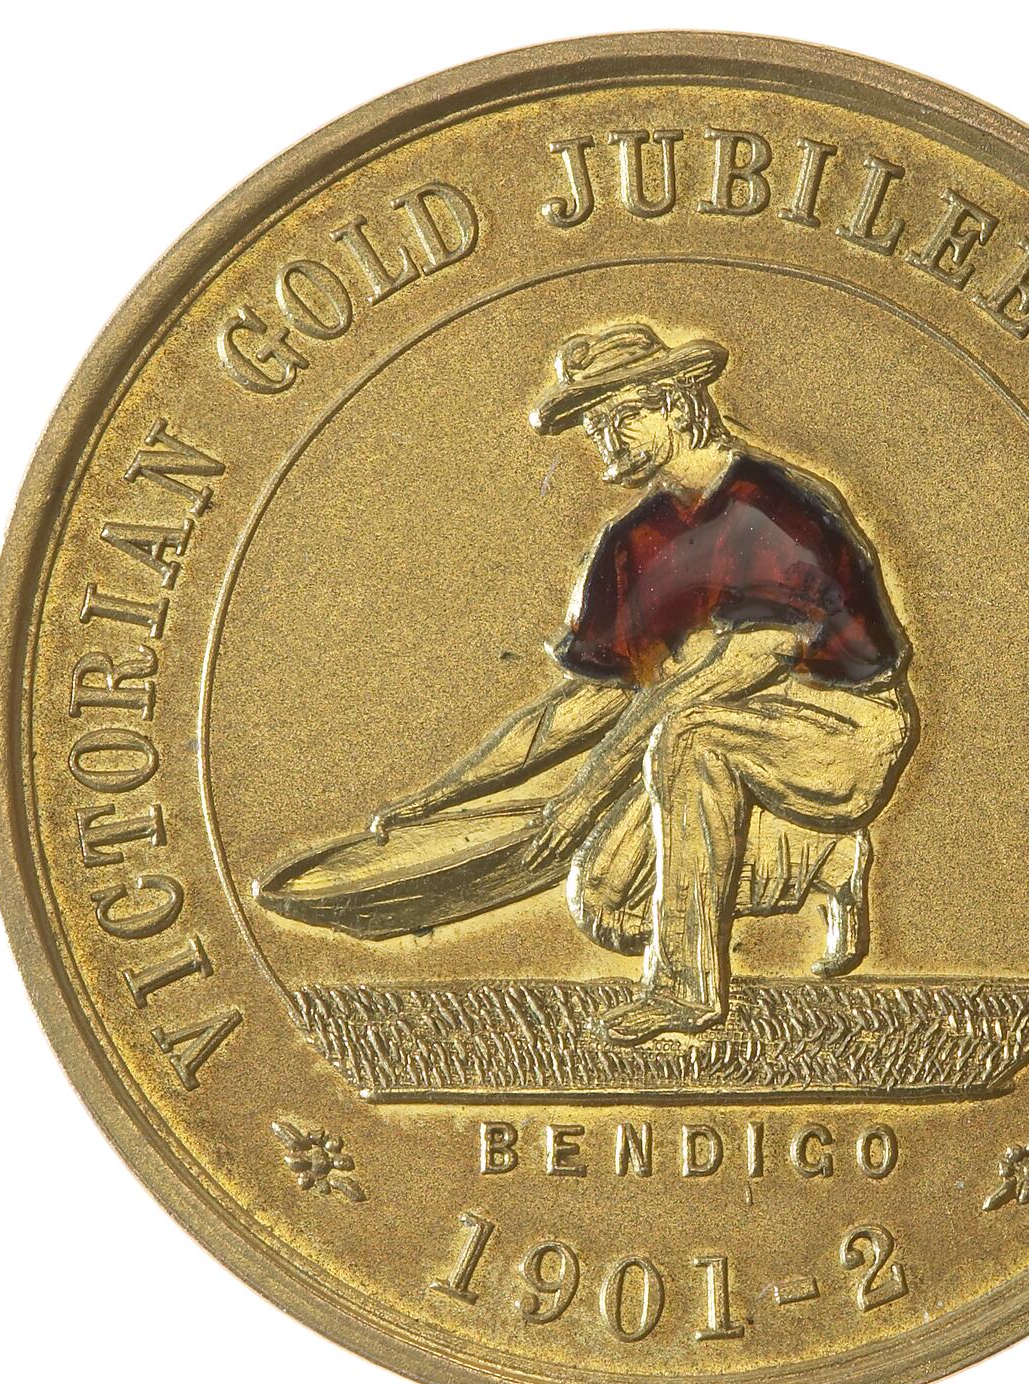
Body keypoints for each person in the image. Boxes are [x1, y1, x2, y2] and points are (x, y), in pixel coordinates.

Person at [374, 323, 914, 1043]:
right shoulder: (632, 541)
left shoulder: (773, 506)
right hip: (706, 727)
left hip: (841, 728)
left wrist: (583, 796)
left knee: (689, 735)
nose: (606, 438)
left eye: (622, 415)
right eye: (595, 424)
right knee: (604, 905)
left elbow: (736, 670)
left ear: (680, 404)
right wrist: (442, 796)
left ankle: (686, 993)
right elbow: (587, 702)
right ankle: (823, 858)